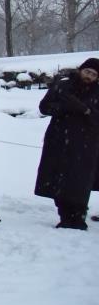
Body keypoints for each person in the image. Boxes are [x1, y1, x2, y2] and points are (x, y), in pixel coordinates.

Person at [34, 58, 99, 230]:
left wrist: (85, 110)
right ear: (80, 70)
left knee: (80, 181)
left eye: (93, 74)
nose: (89, 76)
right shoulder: (62, 86)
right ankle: (64, 215)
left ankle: (78, 217)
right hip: (59, 140)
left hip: (86, 143)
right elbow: (44, 107)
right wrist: (64, 107)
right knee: (59, 179)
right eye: (87, 72)